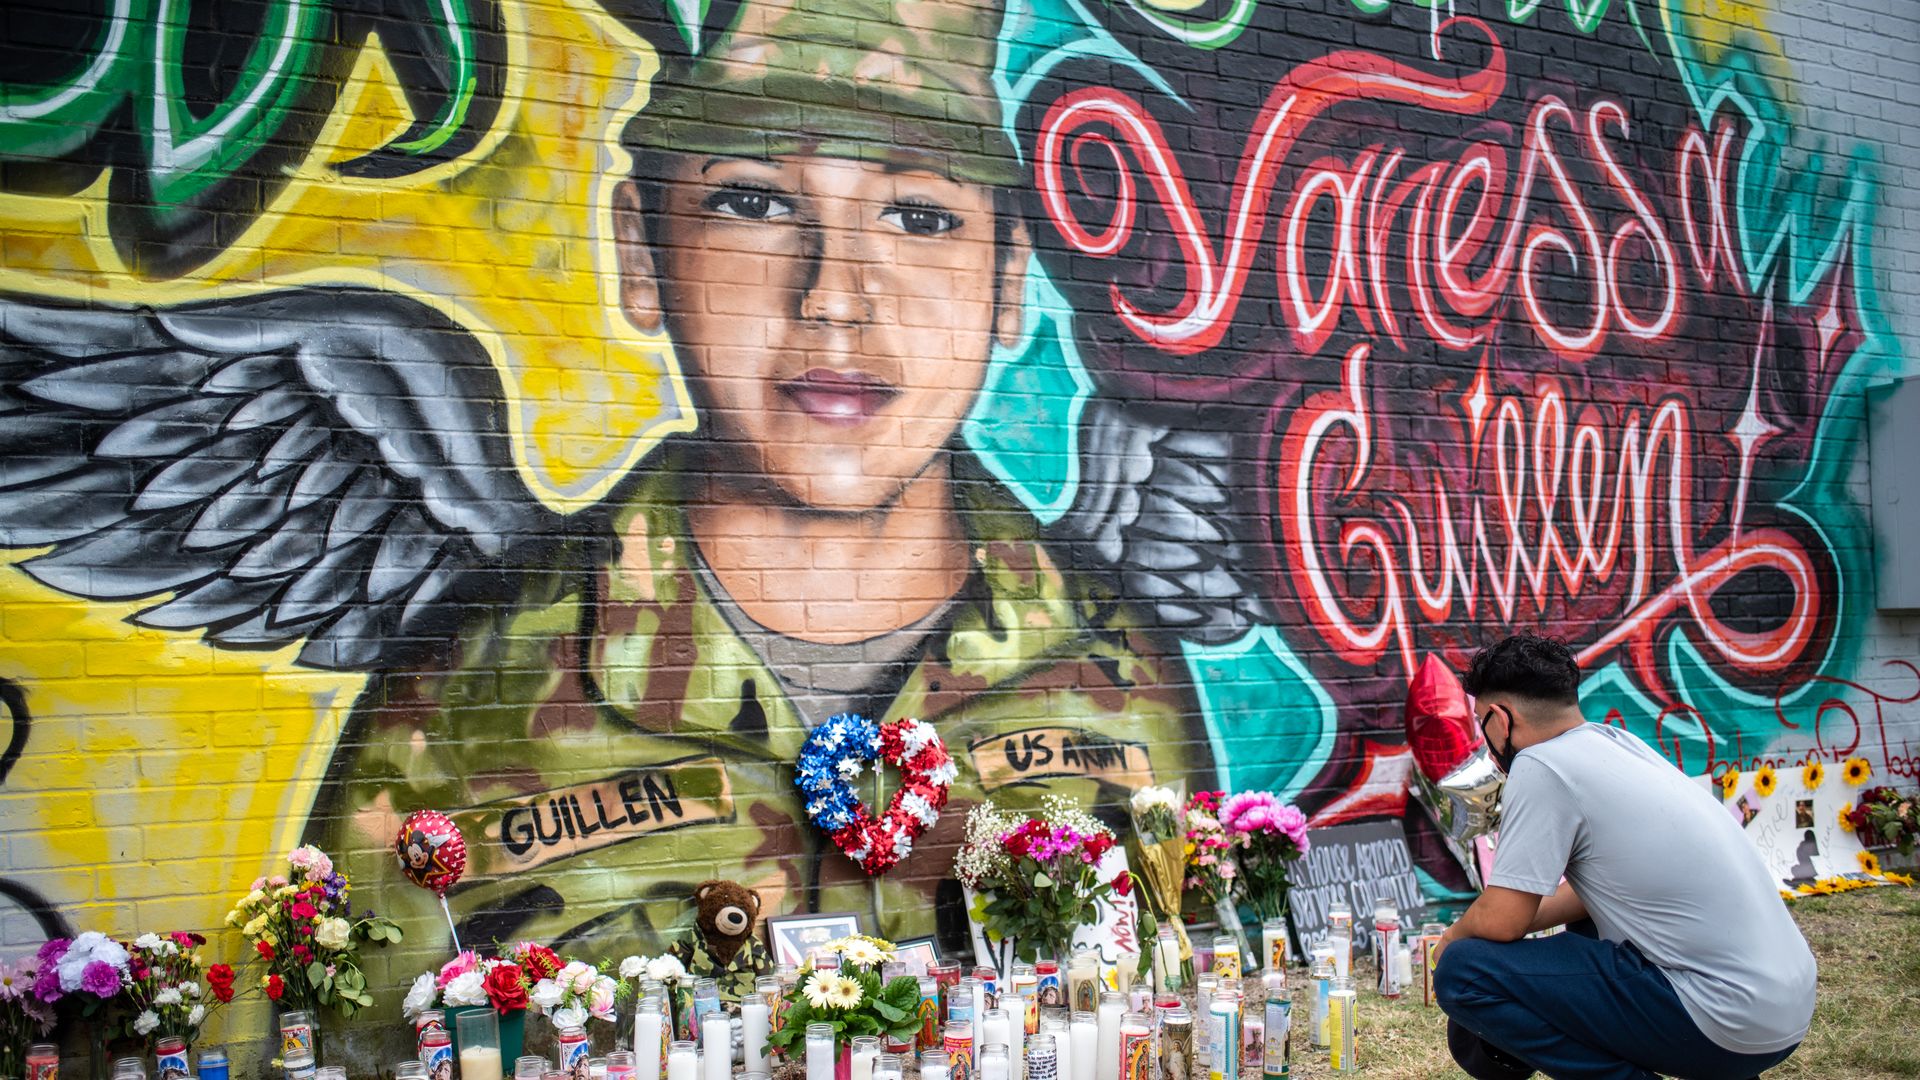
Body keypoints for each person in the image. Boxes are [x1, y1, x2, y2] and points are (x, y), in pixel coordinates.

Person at [310, 0, 1209, 988]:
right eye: (753, 203)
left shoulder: (1120, 675)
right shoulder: (469, 697)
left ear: (1006, 283)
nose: (834, 294)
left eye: (919, 217)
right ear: (642, 250)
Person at [1432, 634, 1815, 1080]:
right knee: (1585, 924)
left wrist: (1452, 938)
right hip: (1783, 1013)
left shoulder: (1539, 766)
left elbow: (1502, 921)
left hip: (1721, 1021)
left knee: (1465, 972)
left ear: (1500, 719)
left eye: (1482, 724)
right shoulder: (1619, 744)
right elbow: (1584, 896)